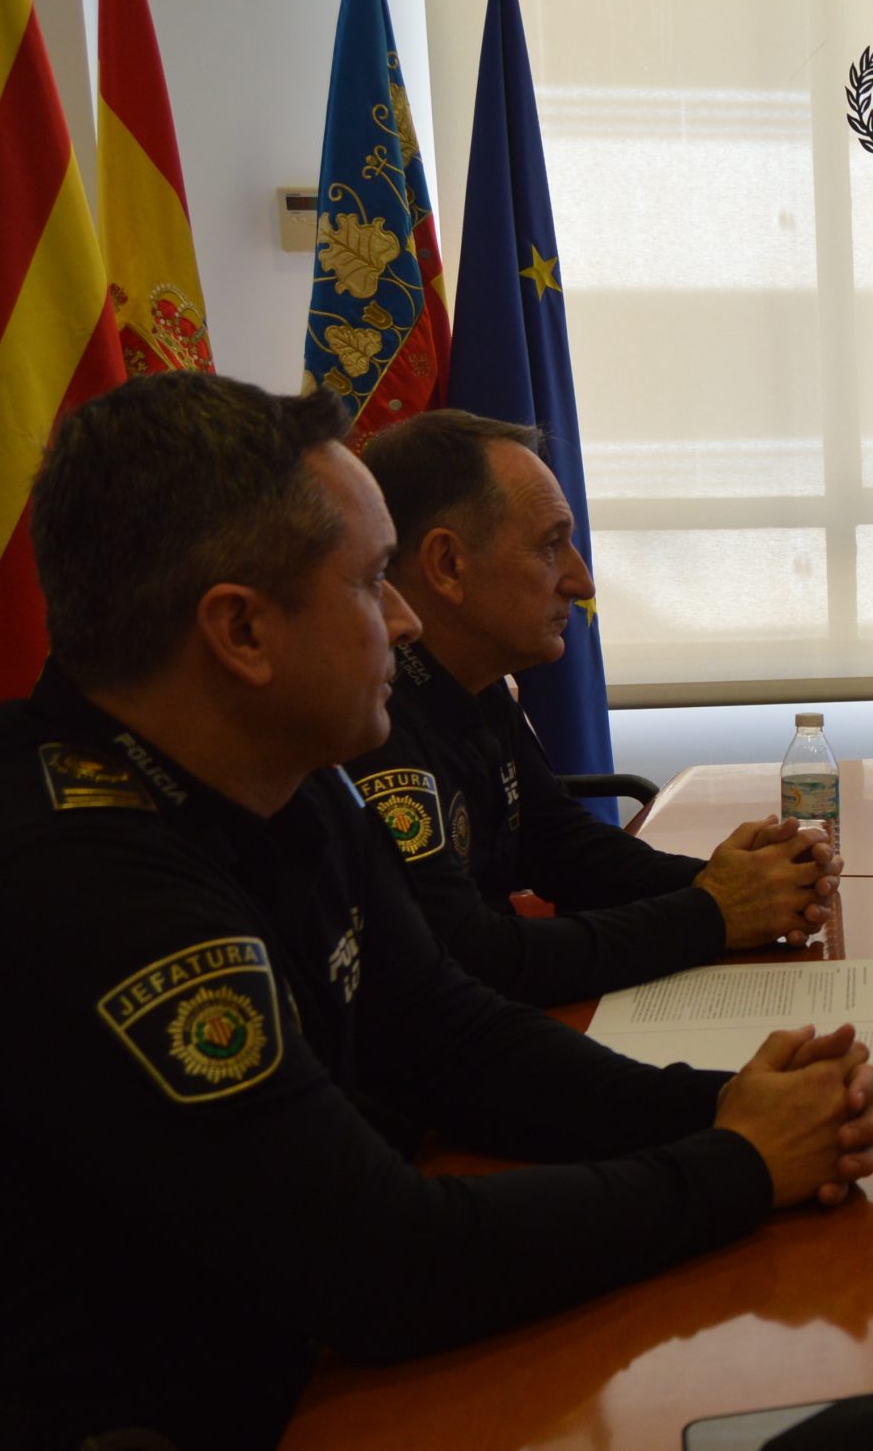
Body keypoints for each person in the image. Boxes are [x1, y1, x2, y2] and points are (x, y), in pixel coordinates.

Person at [0, 373, 873, 1451]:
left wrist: (719, 1103)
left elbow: (451, 1033)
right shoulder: (76, 882)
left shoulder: (277, 774)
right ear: (241, 632)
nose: (401, 619)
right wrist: (733, 1165)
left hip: (279, 1397)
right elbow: (383, 1259)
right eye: (370, 579)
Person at [347, 410, 836, 1007]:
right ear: (449, 565)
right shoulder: (367, 721)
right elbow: (476, 959)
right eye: (552, 545)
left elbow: (559, 845)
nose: (582, 582)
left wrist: (735, 882)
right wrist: (713, 910)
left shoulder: (475, 681)